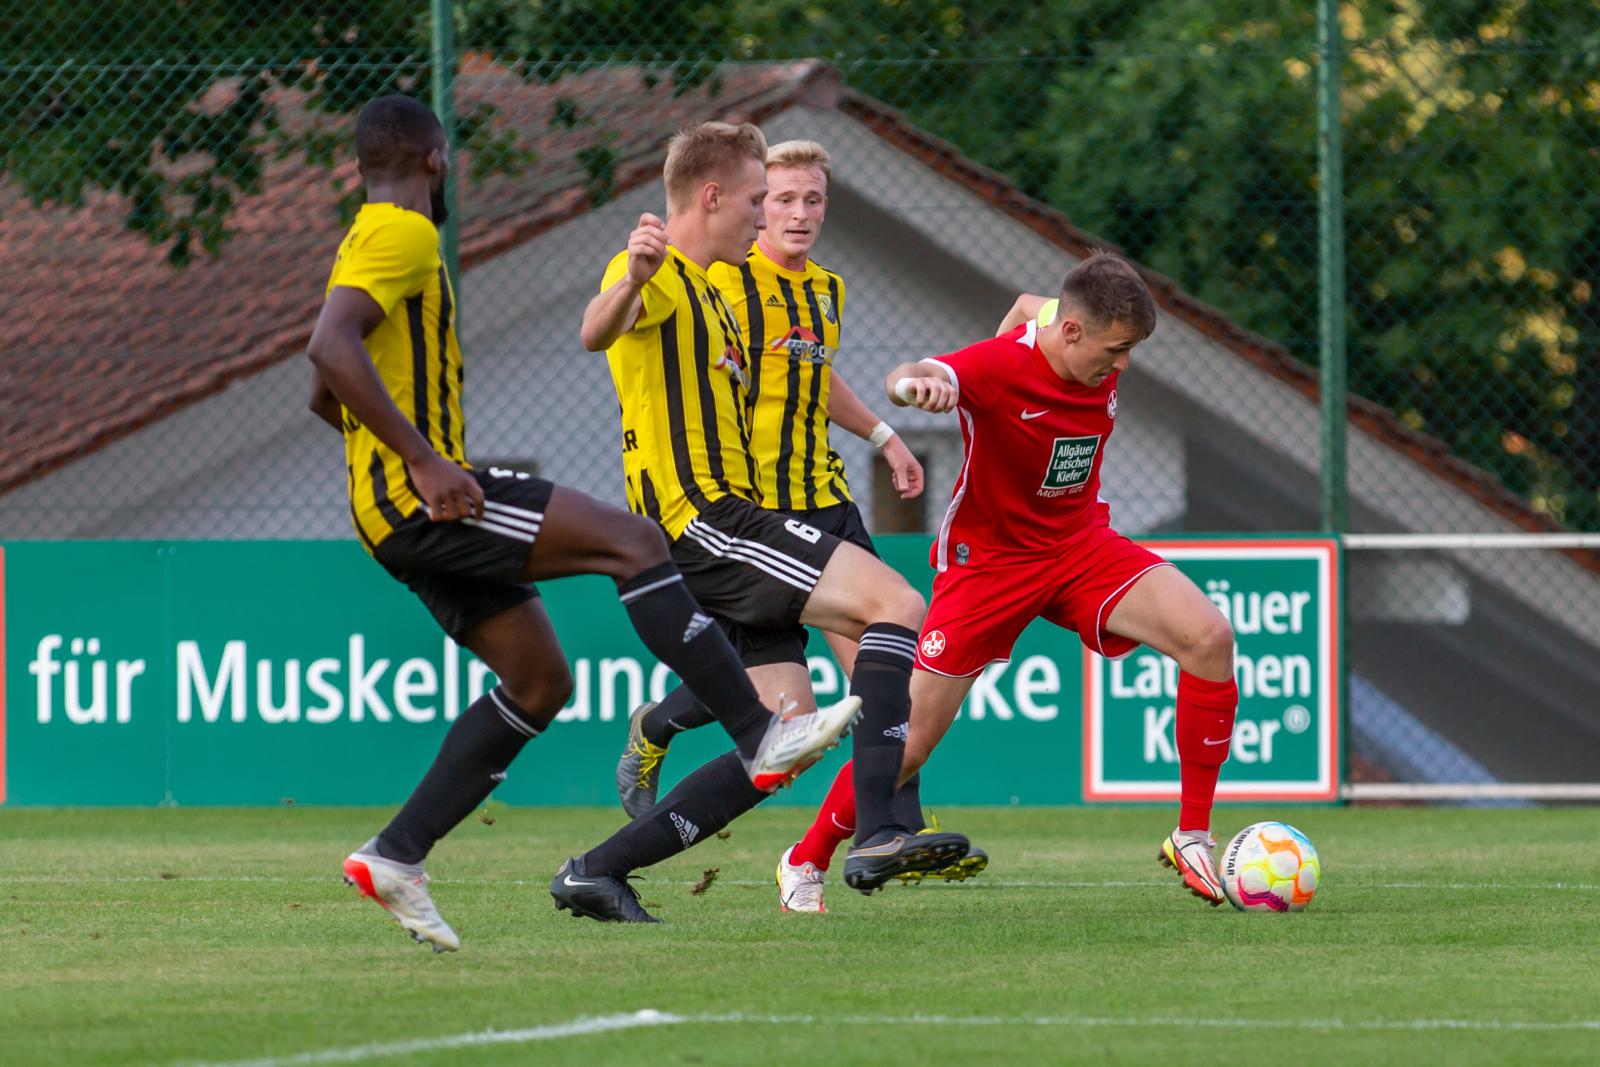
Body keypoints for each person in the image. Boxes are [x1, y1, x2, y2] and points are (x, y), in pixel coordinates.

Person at [307, 97, 857, 948]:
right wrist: (419, 459)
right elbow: (329, 349)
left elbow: (323, 389)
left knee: (540, 681)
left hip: (397, 505)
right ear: (437, 161)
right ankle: (759, 734)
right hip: (422, 495)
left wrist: (388, 458)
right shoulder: (406, 233)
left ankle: (397, 854)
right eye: (759, 200)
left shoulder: (363, 237)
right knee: (635, 541)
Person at [559, 122, 969, 921]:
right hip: (708, 520)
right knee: (898, 605)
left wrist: (879, 434)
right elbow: (595, 329)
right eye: (759, 199)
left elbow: (801, 378)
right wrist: (631, 279)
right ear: (712, 197)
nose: (767, 215)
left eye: (799, 199)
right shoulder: (660, 272)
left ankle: (595, 871)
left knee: (788, 736)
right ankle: (881, 829)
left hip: (735, 521)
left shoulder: (720, 291)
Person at [801, 253, 1239, 906]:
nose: (1123, 366)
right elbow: (914, 374)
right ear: (1073, 333)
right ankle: (804, 860)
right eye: (1116, 350)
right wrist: (914, 387)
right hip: (990, 565)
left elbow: (1032, 304)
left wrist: (1037, 316)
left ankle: (1193, 835)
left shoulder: (1065, 324)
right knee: (908, 744)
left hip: (1079, 545)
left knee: (1210, 638)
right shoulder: (998, 367)